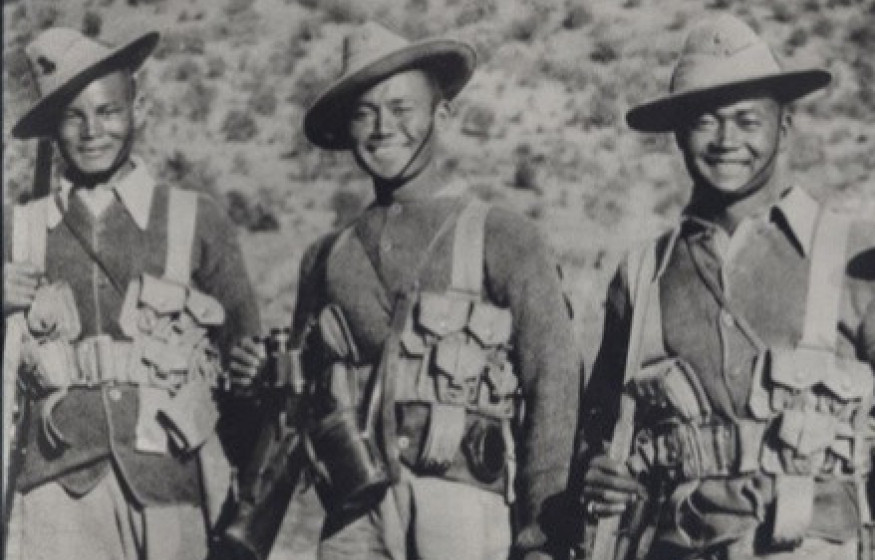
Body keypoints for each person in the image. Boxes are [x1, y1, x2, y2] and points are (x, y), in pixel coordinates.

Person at [578, 14, 875, 560]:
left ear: (785, 126)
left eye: (747, 120)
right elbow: (599, 425)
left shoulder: (856, 254)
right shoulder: (643, 274)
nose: (727, 141)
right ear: (678, 135)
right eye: (705, 122)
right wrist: (595, 469)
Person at [285, 22, 581, 560]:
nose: (383, 128)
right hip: (353, 517)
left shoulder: (504, 236)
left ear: (441, 115)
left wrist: (541, 532)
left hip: (465, 511)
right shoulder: (325, 258)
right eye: (364, 113)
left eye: (402, 109)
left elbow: (554, 385)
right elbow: (299, 395)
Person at [3, 27, 262, 560]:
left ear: (138, 108)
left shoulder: (197, 219)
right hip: (56, 494)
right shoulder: (18, 229)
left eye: (108, 111)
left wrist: (242, 488)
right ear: (51, 129)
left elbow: (248, 367)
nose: (92, 130)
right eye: (72, 116)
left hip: (171, 487)